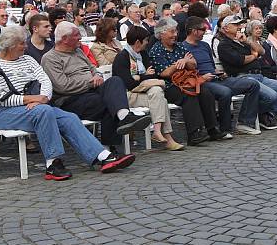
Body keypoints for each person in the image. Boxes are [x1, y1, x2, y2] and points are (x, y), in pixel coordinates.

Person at [0, 26, 137, 179]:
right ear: (11, 46)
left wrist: (43, 97)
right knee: (45, 111)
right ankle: (52, 163)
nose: (26, 46)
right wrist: (32, 99)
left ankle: (103, 157)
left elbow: (44, 80)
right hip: (0, 113)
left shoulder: (28, 60)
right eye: (22, 43)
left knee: (69, 118)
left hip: (35, 107)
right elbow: (0, 98)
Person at [41, 21, 153, 151]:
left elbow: (93, 69)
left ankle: (123, 118)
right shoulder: (50, 58)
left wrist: (98, 76)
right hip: (70, 99)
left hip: (92, 91)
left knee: (115, 80)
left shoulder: (78, 51)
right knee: (108, 103)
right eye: (77, 35)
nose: (80, 38)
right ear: (65, 39)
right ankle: (109, 147)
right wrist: (90, 82)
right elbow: (62, 86)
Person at [147, 17, 222, 145]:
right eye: (172, 32)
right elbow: (164, 73)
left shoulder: (179, 46)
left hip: (185, 80)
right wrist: (178, 64)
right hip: (169, 85)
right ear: (161, 34)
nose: (175, 35)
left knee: (205, 92)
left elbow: (193, 64)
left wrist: (186, 61)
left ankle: (212, 129)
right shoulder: (156, 50)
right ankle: (193, 134)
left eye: (175, 31)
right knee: (188, 96)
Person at [183, 16, 262, 136]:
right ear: (194, 31)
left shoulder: (204, 45)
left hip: (216, 77)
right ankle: (225, 129)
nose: (205, 32)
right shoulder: (183, 47)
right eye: (203, 30)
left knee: (253, 84)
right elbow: (186, 71)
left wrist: (218, 72)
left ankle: (244, 122)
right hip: (202, 81)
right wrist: (202, 77)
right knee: (225, 92)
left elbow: (210, 63)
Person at [110, 25, 183, 151]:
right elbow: (128, 84)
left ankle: (157, 131)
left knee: (157, 92)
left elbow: (153, 74)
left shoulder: (143, 54)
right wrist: (144, 76)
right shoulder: (122, 57)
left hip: (142, 92)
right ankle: (167, 138)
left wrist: (139, 77)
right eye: (146, 41)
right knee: (160, 97)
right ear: (138, 42)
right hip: (126, 96)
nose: (147, 43)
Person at [217, 15, 277, 129]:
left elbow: (262, 51)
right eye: (235, 25)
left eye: (239, 24)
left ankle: (266, 115)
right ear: (226, 28)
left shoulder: (242, 41)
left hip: (258, 76)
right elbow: (241, 60)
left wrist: (247, 41)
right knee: (272, 96)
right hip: (243, 77)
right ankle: (245, 120)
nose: (239, 27)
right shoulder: (224, 44)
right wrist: (254, 56)